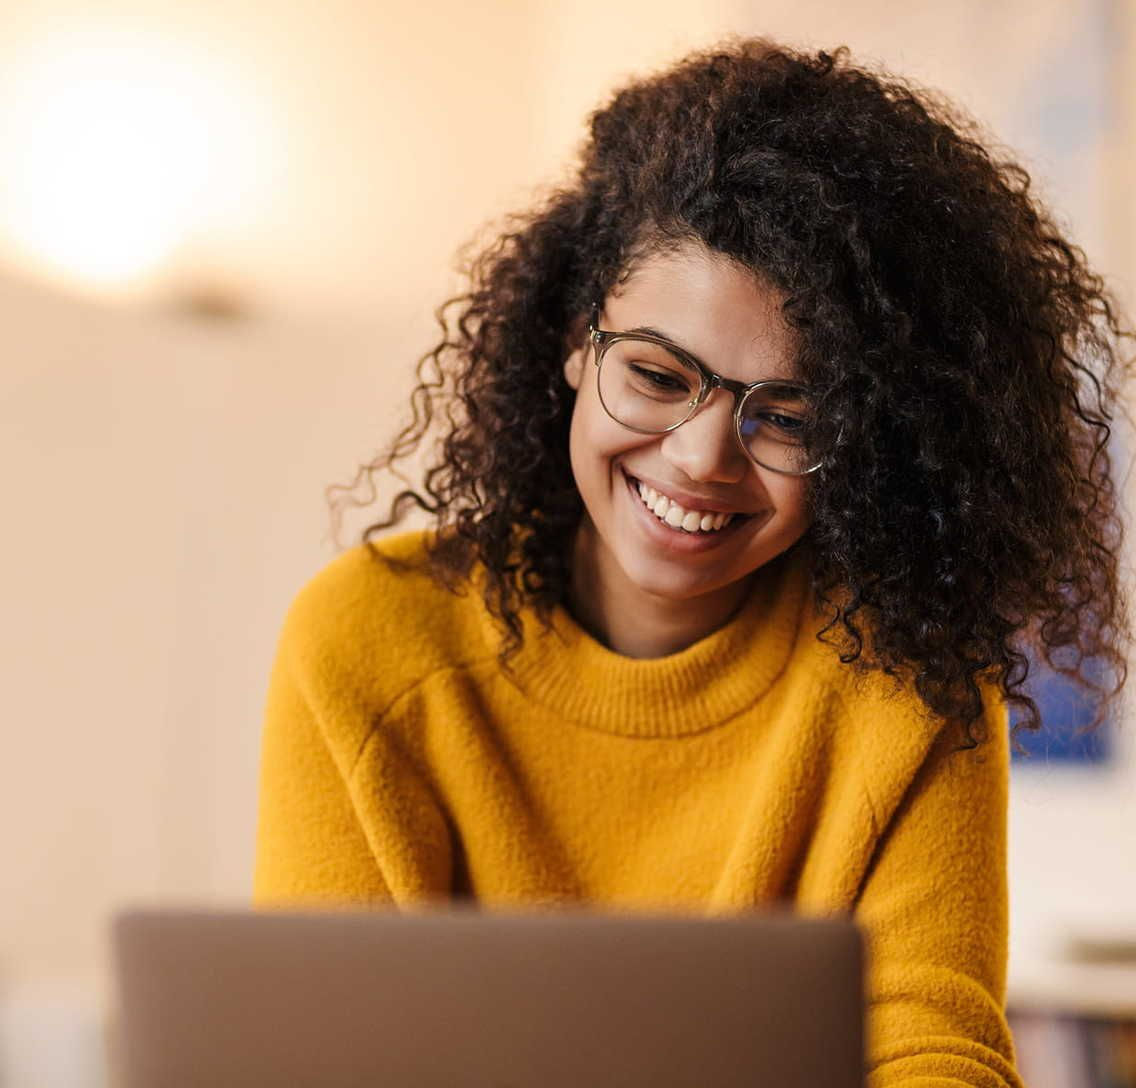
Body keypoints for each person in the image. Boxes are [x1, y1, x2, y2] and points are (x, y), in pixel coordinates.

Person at [253, 37, 1130, 1088]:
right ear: (575, 344)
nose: (700, 457)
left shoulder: (910, 681)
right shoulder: (366, 639)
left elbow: (931, 1046)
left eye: (789, 414)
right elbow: (316, 1053)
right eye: (658, 375)